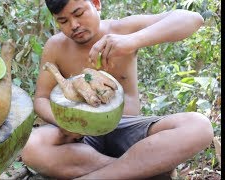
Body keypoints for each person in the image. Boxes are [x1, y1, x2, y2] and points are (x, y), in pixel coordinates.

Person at [21, 0, 214, 179]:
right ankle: (138, 170)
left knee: (199, 126)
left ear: (96, 3)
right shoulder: (55, 46)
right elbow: (41, 99)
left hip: (128, 127)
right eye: (63, 21)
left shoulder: (122, 29)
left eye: (79, 13)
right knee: (32, 146)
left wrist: (132, 41)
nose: (73, 25)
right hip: (82, 134)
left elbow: (192, 19)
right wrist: (65, 124)